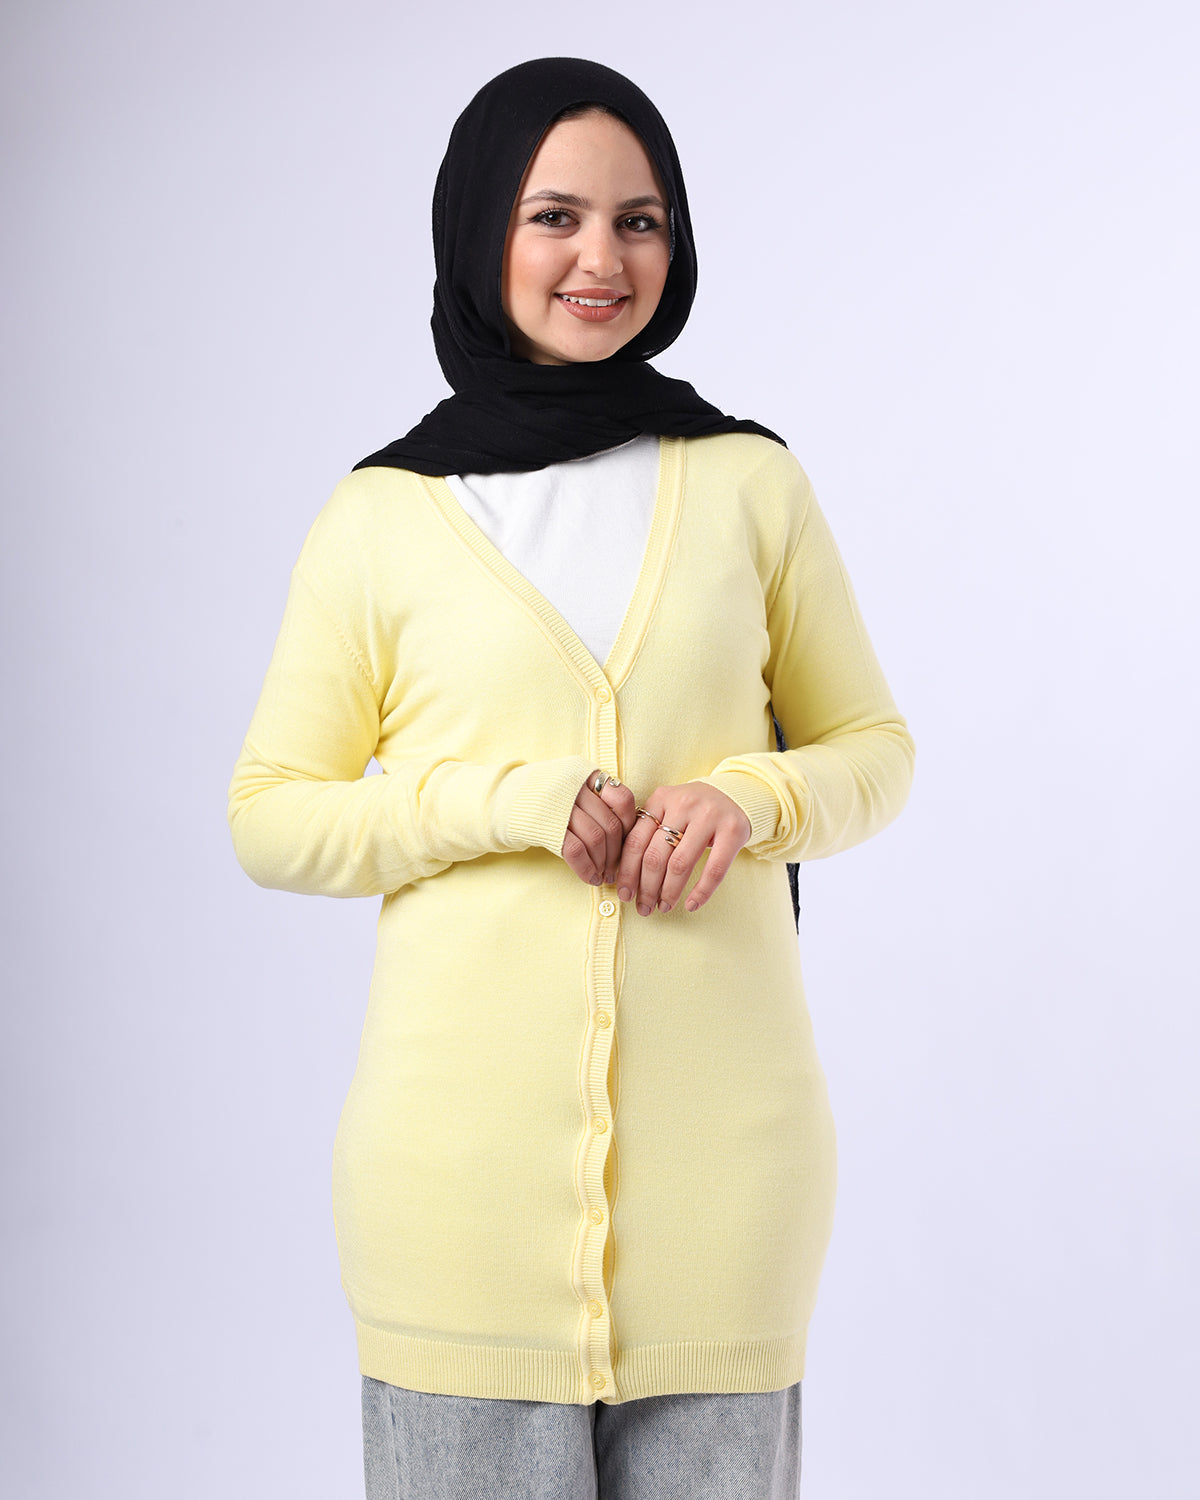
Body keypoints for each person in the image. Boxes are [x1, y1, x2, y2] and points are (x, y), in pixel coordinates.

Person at [228, 55, 915, 1499]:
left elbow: (873, 752)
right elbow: (273, 816)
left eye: (639, 220)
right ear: (483, 228)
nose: (602, 259)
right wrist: (506, 802)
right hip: (453, 1206)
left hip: (729, 1197)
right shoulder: (384, 516)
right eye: (555, 217)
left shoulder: (750, 485)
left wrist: (751, 799)